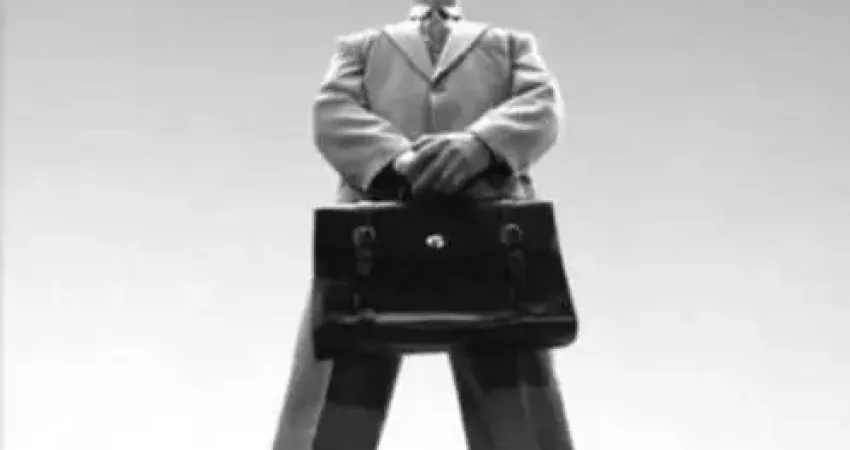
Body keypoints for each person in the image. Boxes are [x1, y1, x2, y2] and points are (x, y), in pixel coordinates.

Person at [271, 0, 574, 448]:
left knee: (517, 405)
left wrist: (481, 145)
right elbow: (333, 112)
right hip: (372, 235)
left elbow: (541, 106)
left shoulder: (511, 45)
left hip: (488, 235)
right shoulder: (360, 47)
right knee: (336, 389)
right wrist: (399, 160)